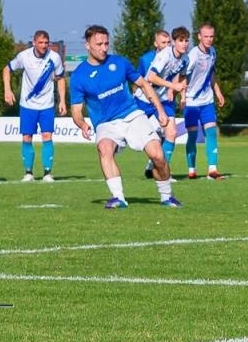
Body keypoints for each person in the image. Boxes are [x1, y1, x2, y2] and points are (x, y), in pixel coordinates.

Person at [67, 24, 182, 209]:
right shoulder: (79, 76)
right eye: (99, 44)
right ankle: (118, 198)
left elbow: (144, 84)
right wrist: (81, 124)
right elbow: (76, 110)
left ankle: (167, 196)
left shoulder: (120, 63)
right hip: (106, 124)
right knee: (104, 148)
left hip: (132, 116)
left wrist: (160, 110)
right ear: (87, 45)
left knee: (158, 156)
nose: (104, 48)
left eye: (106, 43)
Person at [1, 29, 67, 182]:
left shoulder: (54, 58)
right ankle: (28, 173)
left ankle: (47, 173)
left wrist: (62, 100)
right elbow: (7, 69)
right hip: (27, 105)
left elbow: (61, 78)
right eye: (41, 43)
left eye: (46, 43)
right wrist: (7, 90)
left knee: (47, 136)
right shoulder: (24, 56)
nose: (44, 46)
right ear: (34, 43)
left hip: (47, 105)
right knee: (27, 137)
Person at [136, 28, 190, 178]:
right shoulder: (164, 55)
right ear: (174, 42)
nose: (184, 44)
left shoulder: (185, 59)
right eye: (181, 40)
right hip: (145, 98)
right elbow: (151, 78)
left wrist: (182, 95)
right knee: (134, 136)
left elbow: (182, 77)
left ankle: (162, 172)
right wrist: (173, 86)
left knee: (171, 133)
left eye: (186, 41)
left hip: (164, 100)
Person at [181, 23, 226, 180]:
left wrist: (218, 92)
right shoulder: (193, 55)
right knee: (192, 136)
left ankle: (212, 170)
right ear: (199, 36)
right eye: (205, 36)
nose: (209, 39)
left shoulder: (213, 52)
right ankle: (191, 170)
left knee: (211, 132)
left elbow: (211, 73)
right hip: (192, 102)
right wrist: (181, 96)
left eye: (211, 36)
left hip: (207, 100)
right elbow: (182, 77)